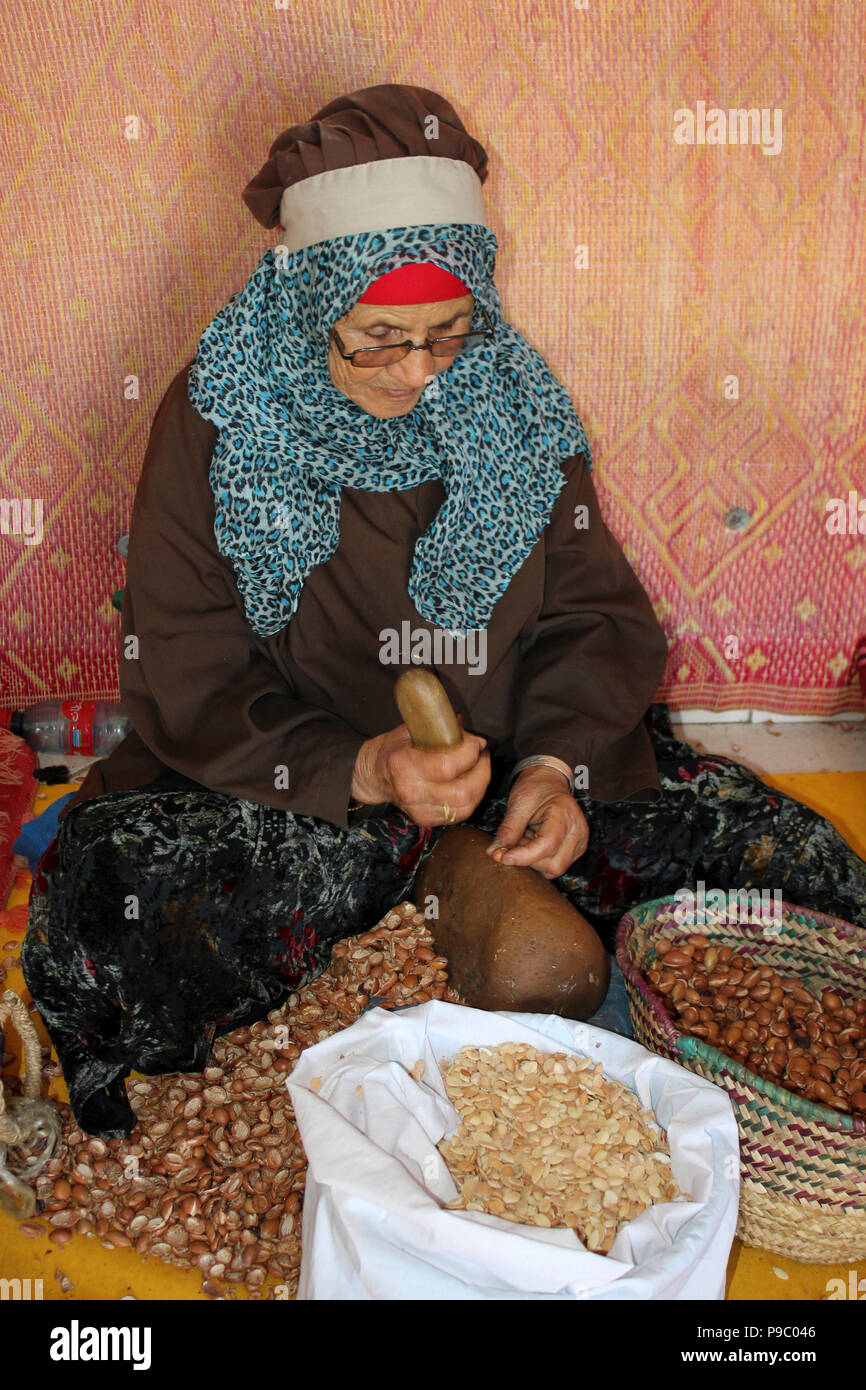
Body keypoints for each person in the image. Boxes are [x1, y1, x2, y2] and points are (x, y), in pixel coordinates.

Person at [22, 84, 866, 1137]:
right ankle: (429, 903)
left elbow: (591, 614)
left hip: (510, 766)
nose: (418, 373)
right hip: (298, 791)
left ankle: (468, 891)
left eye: (446, 333)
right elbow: (183, 660)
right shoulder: (217, 414)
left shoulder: (509, 396)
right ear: (305, 303)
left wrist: (556, 765)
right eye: (377, 339)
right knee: (126, 908)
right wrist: (364, 768)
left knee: (795, 871)